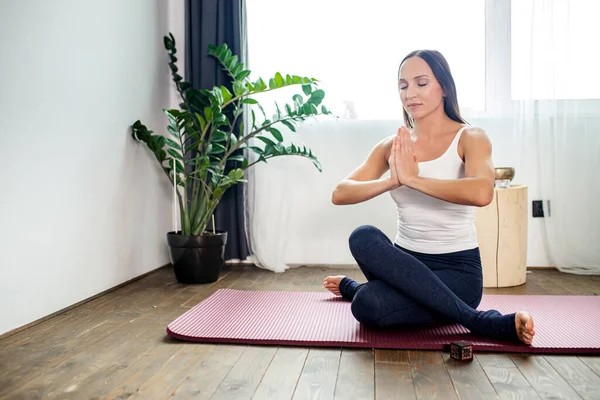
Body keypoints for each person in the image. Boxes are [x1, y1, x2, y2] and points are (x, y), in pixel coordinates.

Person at [322, 50, 535, 345]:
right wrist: (392, 181)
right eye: (403, 85)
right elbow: (340, 193)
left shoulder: (471, 138)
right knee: (363, 237)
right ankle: (474, 320)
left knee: (366, 303)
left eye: (421, 83)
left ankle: (477, 319)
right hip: (403, 265)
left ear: (444, 88)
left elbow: (482, 192)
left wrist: (414, 180)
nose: (410, 93)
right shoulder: (392, 146)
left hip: (458, 274)